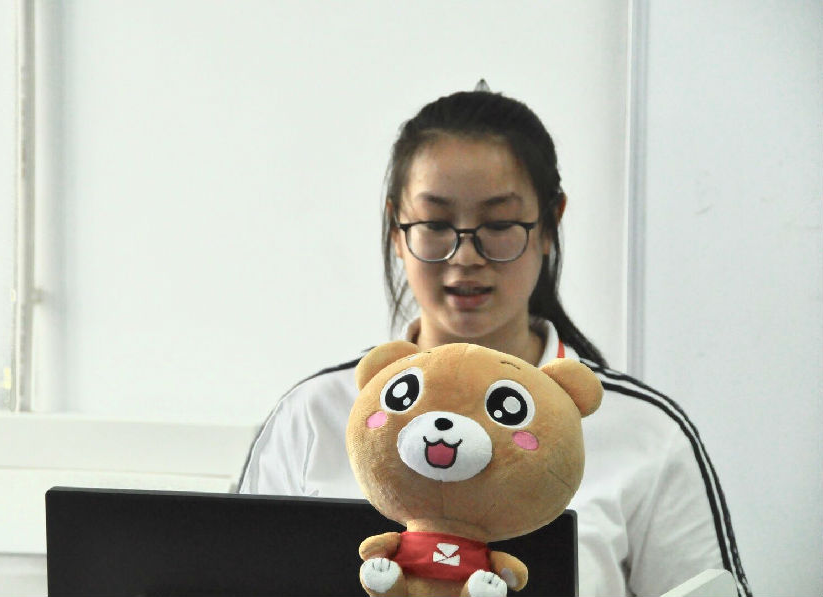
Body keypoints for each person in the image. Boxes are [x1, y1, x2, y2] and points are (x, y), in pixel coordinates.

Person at [238, 89, 751, 597]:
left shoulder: (646, 432)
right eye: (435, 224)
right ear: (396, 229)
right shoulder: (313, 414)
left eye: (500, 224)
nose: (465, 256)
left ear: (549, 224)